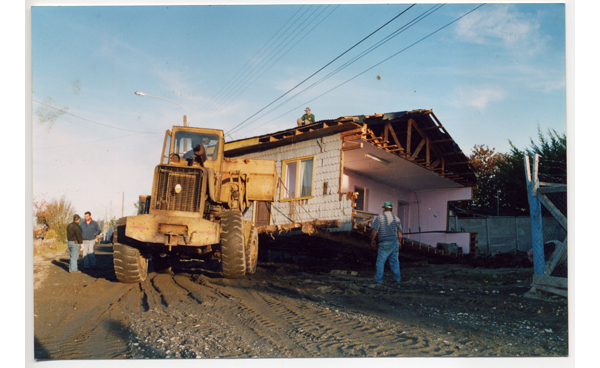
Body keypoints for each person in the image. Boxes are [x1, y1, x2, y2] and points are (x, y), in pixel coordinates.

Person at [370, 201, 403, 284]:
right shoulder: (397, 219)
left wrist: (373, 240)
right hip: (394, 243)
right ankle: (397, 279)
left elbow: (375, 230)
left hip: (385, 243)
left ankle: (378, 280)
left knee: (380, 262)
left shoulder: (380, 217)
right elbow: (399, 233)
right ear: (392, 209)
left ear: (384, 208)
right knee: (395, 261)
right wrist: (399, 242)